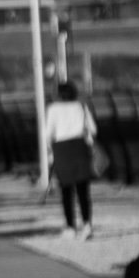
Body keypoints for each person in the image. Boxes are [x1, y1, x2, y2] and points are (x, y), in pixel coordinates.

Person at [44, 81, 99, 240]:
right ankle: (87, 224)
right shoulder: (81, 106)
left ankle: (70, 226)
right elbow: (93, 129)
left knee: (66, 190)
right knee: (83, 190)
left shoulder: (53, 109)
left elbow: (48, 133)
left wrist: (49, 153)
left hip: (62, 149)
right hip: (80, 147)